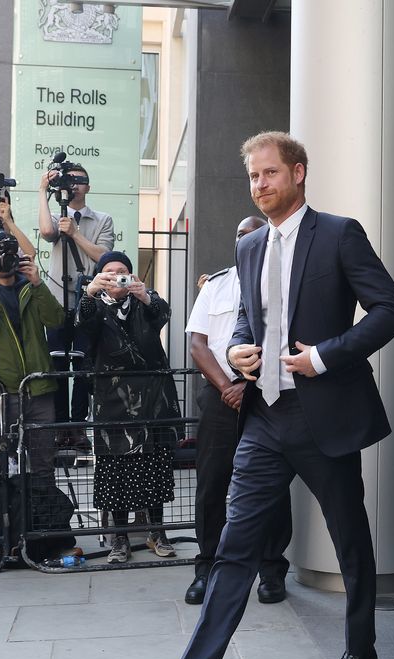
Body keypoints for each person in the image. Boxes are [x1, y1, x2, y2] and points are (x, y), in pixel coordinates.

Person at [126, 131, 394, 659]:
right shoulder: (249, 249)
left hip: (325, 416)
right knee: (234, 547)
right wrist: (236, 354)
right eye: (254, 177)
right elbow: (243, 325)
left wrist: (324, 355)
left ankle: (361, 653)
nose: (260, 185)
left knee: (350, 540)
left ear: (299, 173)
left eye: (270, 174)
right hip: (264, 417)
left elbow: (390, 310)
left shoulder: (339, 234)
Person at [184, 216, 292, 605]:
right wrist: (228, 385)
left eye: (252, 234)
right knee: (212, 484)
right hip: (218, 396)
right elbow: (198, 344)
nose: (244, 240)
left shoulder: (281, 283)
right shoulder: (216, 284)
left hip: (267, 395)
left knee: (273, 486)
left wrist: (248, 386)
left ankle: (271, 570)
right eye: (239, 234)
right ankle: (207, 568)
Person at [0, 233, 65, 563]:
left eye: (8, 253)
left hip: (38, 388)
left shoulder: (29, 285)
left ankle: (45, 538)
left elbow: (57, 320)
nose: (5, 258)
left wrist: (38, 284)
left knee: (44, 464)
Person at [79, 251, 182, 563]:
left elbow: (163, 314)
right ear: (99, 276)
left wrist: (146, 296)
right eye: (108, 272)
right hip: (113, 403)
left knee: (155, 469)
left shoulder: (144, 300)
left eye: (122, 271)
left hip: (152, 402)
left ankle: (156, 532)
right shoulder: (94, 304)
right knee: (115, 473)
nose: (116, 276)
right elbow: (83, 327)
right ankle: (120, 538)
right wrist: (89, 292)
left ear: (133, 275)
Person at [38, 164, 115, 442]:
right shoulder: (58, 215)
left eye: (80, 180)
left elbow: (103, 257)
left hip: (88, 298)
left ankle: (79, 426)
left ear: (88, 187)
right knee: (57, 365)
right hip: (57, 298)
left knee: (83, 365)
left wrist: (75, 233)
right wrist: (42, 190)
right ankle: (59, 426)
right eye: (70, 180)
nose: (75, 185)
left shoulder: (102, 219)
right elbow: (47, 233)